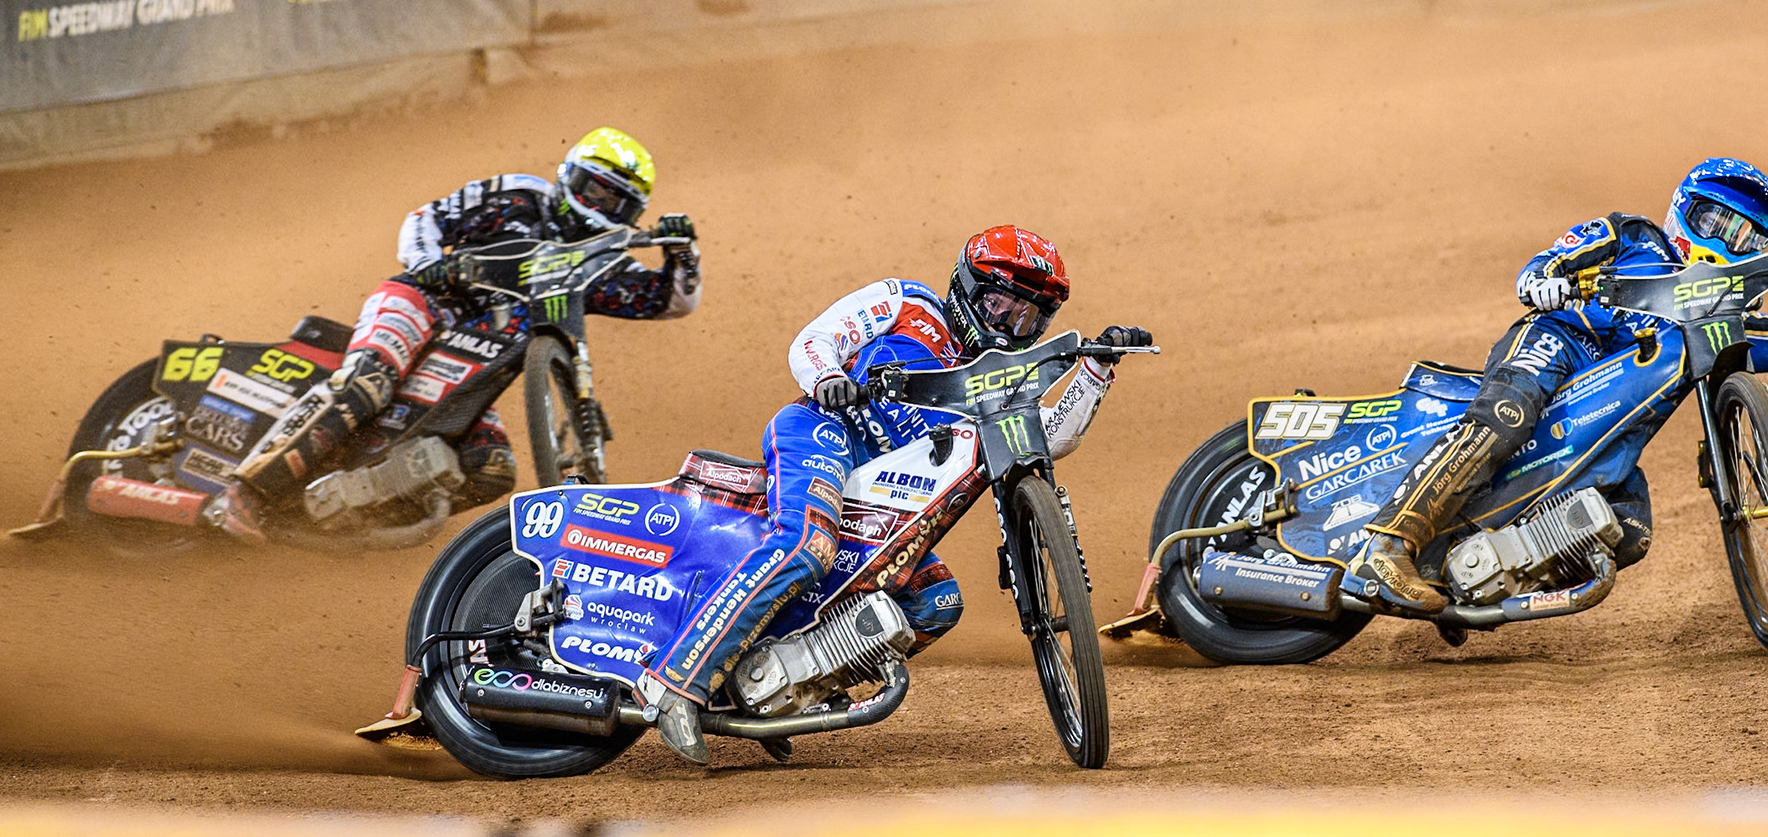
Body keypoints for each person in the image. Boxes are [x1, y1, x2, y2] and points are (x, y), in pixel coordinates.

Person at [634, 224, 1150, 765]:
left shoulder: (1002, 379)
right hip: (825, 431)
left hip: (887, 497)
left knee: (935, 603)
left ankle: (780, 691)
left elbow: (1049, 435)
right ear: (968, 288)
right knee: (807, 543)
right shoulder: (908, 303)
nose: (1012, 327)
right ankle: (676, 684)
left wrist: (1095, 370)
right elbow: (814, 339)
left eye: (1031, 318)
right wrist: (829, 376)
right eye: (1002, 306)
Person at [1347, 157, 1768, 615]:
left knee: (1628, 532)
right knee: (1508, 414)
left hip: (1607, 431)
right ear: (1683, 211)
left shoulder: (1721, 317)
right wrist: (1543, 280)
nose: (1723, 243)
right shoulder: (1632, 235)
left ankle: (1469, 580)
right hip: (1560, 343)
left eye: (1743, 238)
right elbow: (1544, 263)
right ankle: (1386, 548)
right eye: (1714, 222)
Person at [200, 127, 702, 541]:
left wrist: (682, 251)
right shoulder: (522, 195)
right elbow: (426, 218)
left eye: (617, 202)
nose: (601, 205)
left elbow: (670, 300)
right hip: (423, 306)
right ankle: (244, 490)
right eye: (595, 189)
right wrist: (430, 266)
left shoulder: (598, 263)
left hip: (474, 367)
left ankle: (338, 524)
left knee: (492, 469)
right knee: (366, 385)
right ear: (570, 176)